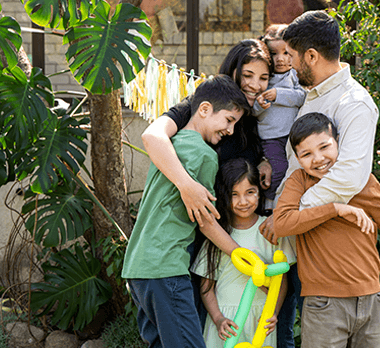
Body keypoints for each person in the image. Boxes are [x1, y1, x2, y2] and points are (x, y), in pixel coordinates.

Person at [259, 11, 380, 348]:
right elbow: (299, 165)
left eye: (294, 57)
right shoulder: (314, 95)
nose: (290, 66)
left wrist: (291, 213)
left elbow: (349, 175)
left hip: (334, 254)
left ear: (311, 56)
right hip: (301, 242)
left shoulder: (353, 103)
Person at [141, 39, 274, 330]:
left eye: (264, 77)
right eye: (248, 75)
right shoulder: (202, 107)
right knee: (195, 323)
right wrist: (186, 185)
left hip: (237, 230)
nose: (255, 84)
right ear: (233, 72)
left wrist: (262, 159)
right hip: (201, 233)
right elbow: (153, 137)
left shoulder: (248, 117)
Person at [122, 75, 251, 348]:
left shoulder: (170, 145)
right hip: (165, 267)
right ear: (204, 109)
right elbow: (205, 222)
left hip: (138, 269)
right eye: (229, 120)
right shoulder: (205, 155)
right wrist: (240, 253)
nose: (230, 130)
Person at [273, 112, 380, 347]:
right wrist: (336, 209)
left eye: (324, 147)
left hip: (371, 299)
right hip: (324, 304)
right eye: (306, 154)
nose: (318, 159)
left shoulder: (362, 180)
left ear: (338, 143)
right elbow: (282, 223)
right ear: (297, 158)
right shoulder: (300, 180)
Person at [191, 158, 296, 347]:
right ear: (224, 196)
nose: (243, 201)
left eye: (250, 192)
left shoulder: (269, 231)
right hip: (226, 322)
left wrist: (273, 312)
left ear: (259, 192)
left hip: (260, 320)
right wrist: (217, 319)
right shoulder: (218, 235)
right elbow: (206, 287)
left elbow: (282, 281)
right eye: (234, 194)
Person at [255, 24, 306, 204]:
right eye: (274, 54)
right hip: (270, 137)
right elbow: (253, 110)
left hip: (292, 136)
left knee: (294, 171)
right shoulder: (264, 77)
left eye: (285, 53)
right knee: (278, 169)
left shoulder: (294, 75)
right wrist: (260, 105)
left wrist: (279, 94)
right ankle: (270, 206)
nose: (280, 59)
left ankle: (286, 206)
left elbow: (302, 97)